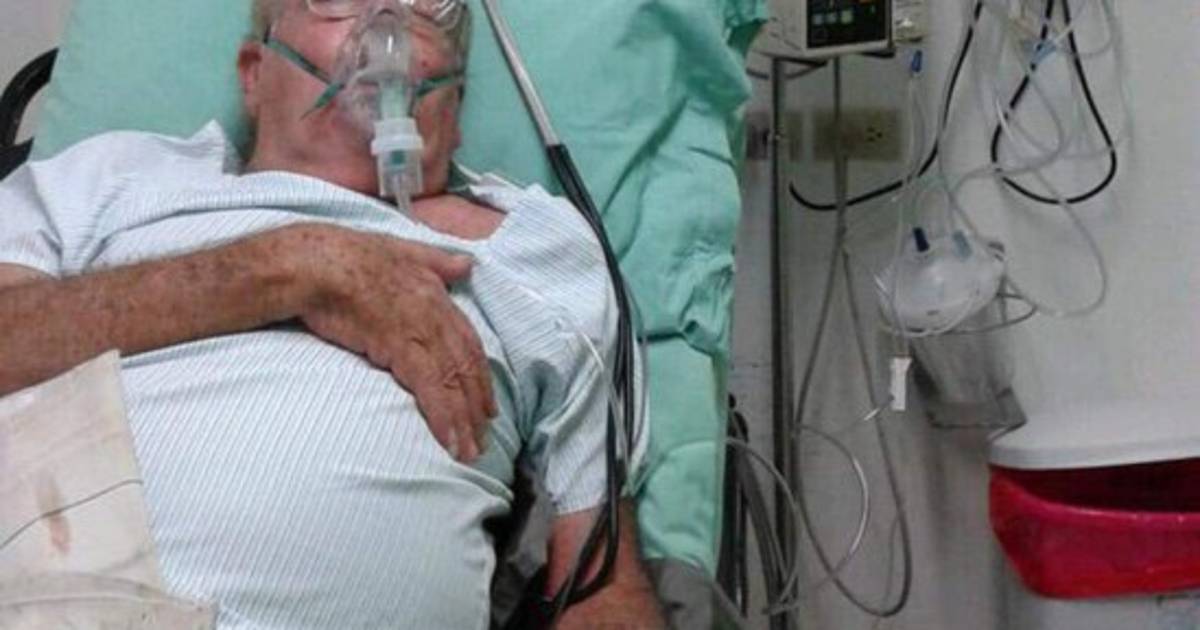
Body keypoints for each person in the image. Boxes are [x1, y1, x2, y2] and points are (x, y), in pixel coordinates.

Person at [0, 0, 664, 627]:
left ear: (455, 104)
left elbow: (603, 581)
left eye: (425, 6)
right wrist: (289, 269)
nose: (384, 16)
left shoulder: (535, 250)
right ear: (254, 75)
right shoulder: (111, 179)